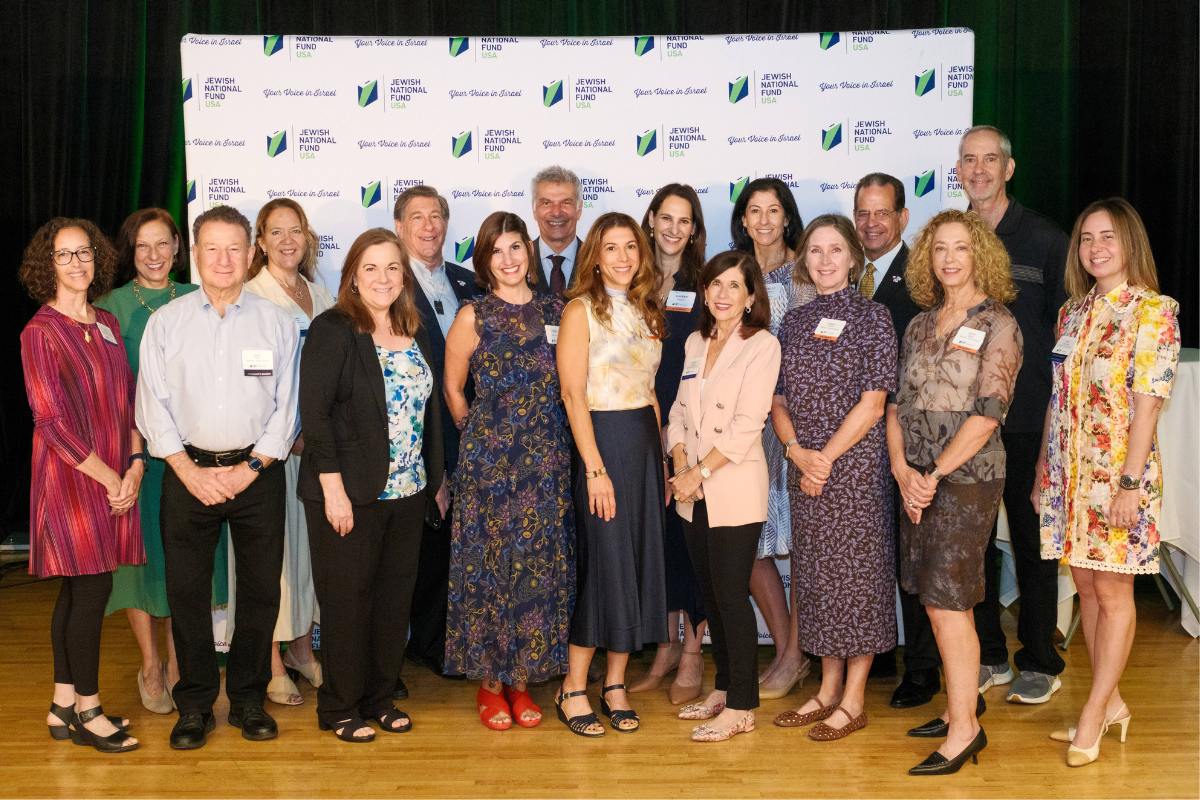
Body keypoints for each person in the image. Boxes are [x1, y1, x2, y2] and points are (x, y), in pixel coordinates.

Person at [136, 205, 299, 750]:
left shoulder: (276, 322)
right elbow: (151, 407)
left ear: (252, 252)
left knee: (259, 592)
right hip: (188, 474)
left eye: (235, 248)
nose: (224, 259)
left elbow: (287, 407)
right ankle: (197, 704)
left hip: (258, 474)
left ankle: (249, 698)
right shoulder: (167, 323)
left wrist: (252, 468)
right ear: (195, 255)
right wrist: (187, 469)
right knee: (186, 593)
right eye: (213, 248)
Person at [1038, 198, 1180, 767]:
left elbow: (1147, 408)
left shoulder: (1153, 311)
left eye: (1109, 237)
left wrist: (1129, 484)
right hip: (1070, 477)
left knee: (1115, 592)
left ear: (1130, 244)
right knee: (1090, 589)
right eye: (1087, 238)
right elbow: (1058, 398)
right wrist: (1044, 472)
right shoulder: (1073, 312)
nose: (1096, 247)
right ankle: (1110, 700)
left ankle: (1094, 712)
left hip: (1118, 477)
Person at [886, 209, 1022, 775]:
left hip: (965, 481)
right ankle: (958, 705)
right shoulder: (920, 324)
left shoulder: (1000, 325)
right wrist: (901, 469)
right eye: (939, 248)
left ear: (980, 255)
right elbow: (895, 405)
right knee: (931, 599)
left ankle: (965, 731)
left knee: (949, 602)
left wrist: (932, 475)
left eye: (961, 248)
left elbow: (989, 415)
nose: (949, 258)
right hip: (914, 478)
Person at [298, 228, 445, 743]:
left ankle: (380, 696)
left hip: (407, 494)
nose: (383, 278)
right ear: (353, 277)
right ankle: (339, 704)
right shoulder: (334, 329)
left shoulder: (416, 326)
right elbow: (314, 418)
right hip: (349, 495)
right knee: (346, 604)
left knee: (391, 603)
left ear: (404, 275)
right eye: (371, 268)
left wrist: (435, 479)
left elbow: (430, 413)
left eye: (392, 268)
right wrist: (333, 489)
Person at [442, 212, 574, 730]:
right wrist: (480, 436)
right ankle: (491, 683)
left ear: (529, 252)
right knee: (491, 568)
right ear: (484, 260)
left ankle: (523, 682)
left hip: (545, 461)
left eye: (516, 247)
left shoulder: (556, 310)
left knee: (537, 568)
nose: (509, 259)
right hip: (489, 467)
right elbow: (454, 389)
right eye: (497, 251)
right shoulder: (473, 315)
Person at [771, 215, 897, 741]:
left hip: (857, 472)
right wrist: (799, 452)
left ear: (852, 258)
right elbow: (777, 401)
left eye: (836, 250)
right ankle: (825, 689)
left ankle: (854, 697)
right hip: (806, 472)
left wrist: (825, 458)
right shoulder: (793, 324)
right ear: (805, 260)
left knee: (860, 582)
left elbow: (874, 405)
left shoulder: (874, 318)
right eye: (816, 251)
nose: (825, 260)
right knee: (819, 581)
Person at [21, 217, 144, 754]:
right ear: (47, 266)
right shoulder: (40, 331)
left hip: (118, 475)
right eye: (64, 255)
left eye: (84, 253)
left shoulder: (108, 323)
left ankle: (62, 703)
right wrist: (112, 476)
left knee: (77, 593)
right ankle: (90, 710)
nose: (76, 263)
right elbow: (51, 423)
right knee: (90, 592)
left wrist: (136, 463)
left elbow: (129, 399)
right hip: (72, 483)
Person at [958, 125, 1068, 704]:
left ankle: (1040, 659)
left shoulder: (1047, 239)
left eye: (990, 159)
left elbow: (1063, 336)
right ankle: (989, 656)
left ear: (1010, 167)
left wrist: (1054, 421)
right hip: (965, 421)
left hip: (1027, 419)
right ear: (958, 169)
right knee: (971, 543)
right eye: (969, 159)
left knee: (1031, 542)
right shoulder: (952, 238)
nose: (978, 169)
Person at [554, 212, 668, 736]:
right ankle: (573, 687)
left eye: (631, 248)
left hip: (644, 446)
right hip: (603, 447)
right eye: (611, 248)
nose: (623, 258)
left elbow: (651, 392)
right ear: (594, 257)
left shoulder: (648, 308)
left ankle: (615, 683)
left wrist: (663, 461)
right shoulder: (579, 311)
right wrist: (595, 469)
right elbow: (573, 395)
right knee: (605, 567)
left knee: (639, 566)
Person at [667, 250, 780, 742]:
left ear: (751, 295)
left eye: (735, 286)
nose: (723, 294)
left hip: (731, 486)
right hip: (691, 489)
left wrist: (696, 473)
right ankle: (724, 686)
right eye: (716, 284)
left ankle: (742, 706)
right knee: (709, 593)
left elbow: (745, 427)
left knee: (731, 596)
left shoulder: (763, 346)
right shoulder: (695, 341)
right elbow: (676, 410)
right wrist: (677, 462)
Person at [97, 208, 204, 715]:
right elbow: (109, 389)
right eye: (143, 247)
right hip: (135, 452)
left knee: (185, 564)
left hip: (194, 454)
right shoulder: (110, 309)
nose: (155, 255)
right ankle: (151, 665)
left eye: (163, 244)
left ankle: (184, 663)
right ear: (130, 252)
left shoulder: (199, 298)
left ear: (178, 247)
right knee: (140, 563)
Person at [244, 198, 335, 706]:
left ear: (307, 237)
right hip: (272, 449)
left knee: (307, 554)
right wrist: (285, 438)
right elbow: (255, 382)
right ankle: (273, 660)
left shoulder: (322, 295)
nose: (286, 240)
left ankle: (302, 649)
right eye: (275, 232)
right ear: (260, 241)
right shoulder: (252, 299)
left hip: (317, 448)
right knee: (274, 555)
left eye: (294, 230)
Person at [851, 173, 937, 702]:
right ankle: (876, 654)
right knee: (869, 555)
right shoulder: (847, 274)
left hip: (907, 438)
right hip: (858, 442)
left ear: (904, 218)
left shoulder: (923, 279)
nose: (872, 222)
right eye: (863, 213)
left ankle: (923, 669)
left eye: (882, 213)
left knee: (913, 558)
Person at [391, 185, 480, 692]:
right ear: (400, 227)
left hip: (472, 434)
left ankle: (446, 643)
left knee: (455, 546)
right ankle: (414, 648)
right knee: (419, 549)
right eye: (416, 217)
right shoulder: (388, 284)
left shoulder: (469, 282)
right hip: (417, 437)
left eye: (436, 217)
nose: (428, 226)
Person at [729, 177, 813, 698]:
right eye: (754, 211)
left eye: (773, 210)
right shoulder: (731, 274)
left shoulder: (809, 271)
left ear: (787, 217)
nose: (763, 220)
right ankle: (788, 651)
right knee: (750, 543)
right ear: (742, 219)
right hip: (743, 429)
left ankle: (798, 652)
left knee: (802, 543)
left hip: (799, 425)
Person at [629, 184, 708, 705]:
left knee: (689, 541)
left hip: (687, 430)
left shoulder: (704, 285)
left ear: (694, 230)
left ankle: (695, 651)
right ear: (652, 219)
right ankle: (663, 647)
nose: (674, 229)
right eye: (667, 218)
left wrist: (676, 435)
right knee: (655, 543)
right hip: (634, 426)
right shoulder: (629, 279)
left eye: (685, 221)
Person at [530, 165, 584, 296]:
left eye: (566, 202)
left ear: (579, 209)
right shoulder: (518, 263)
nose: (556, 212)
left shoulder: (597, 261)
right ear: (534, 210)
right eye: (546, 203)